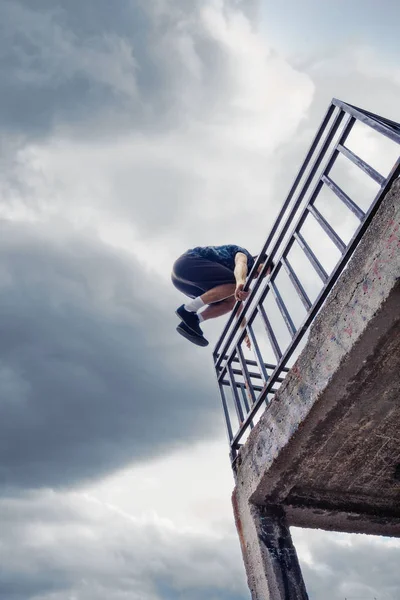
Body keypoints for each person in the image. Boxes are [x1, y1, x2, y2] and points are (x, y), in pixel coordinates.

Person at [171, 244, 270, 347]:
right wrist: (240, 282)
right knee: (235, 284)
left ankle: (193, 321)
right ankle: (188, 309)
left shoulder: (231, 278)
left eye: (264, 275)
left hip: (182, 282)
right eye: (263, 269)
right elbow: (241, 263)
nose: (260, 275)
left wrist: (244, 333)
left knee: (232, 301)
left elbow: (238, 308)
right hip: (188, 263)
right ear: (257, 259)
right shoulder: (245, 255)